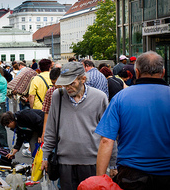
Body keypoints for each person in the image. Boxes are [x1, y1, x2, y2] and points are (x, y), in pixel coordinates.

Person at [95, 51, 170, 189]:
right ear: (163, 72)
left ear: (137, 72)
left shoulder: (120, 98)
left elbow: (106, 140)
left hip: (131, 175)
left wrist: (100, 180)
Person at [41, 62, 115, 190]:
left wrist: (113, 163)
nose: (68, 87)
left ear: (83, 79)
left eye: (72, 83)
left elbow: (109, 134)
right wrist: (45, 156)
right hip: (64, 162)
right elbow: (51, 130)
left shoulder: (99, 98)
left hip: (92, 162)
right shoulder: (58, 96)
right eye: (65, 84)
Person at [41, 67, 61, 142]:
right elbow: (47, 112)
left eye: (57, 83)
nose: (55, 85)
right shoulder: (50, 92)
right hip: (54, 127)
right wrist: (44, 132)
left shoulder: (70, 92)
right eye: (53, 83)